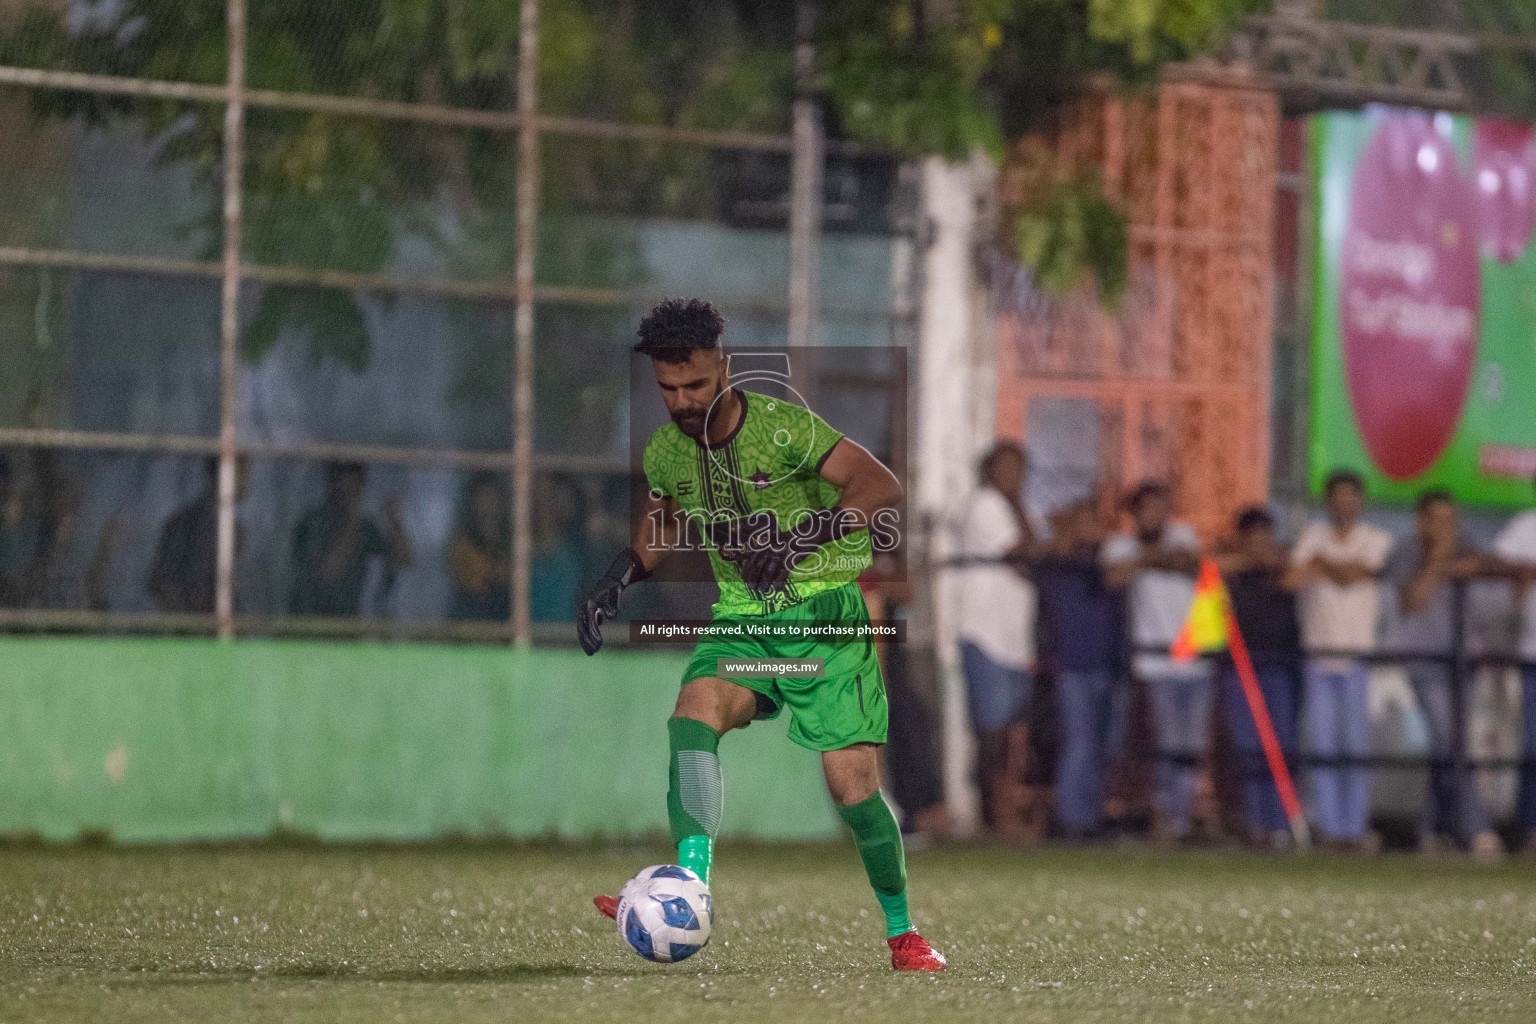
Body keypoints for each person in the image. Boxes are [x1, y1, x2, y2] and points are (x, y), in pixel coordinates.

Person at [576, 298, 945, 971]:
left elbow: (878, 483)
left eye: (695, 386)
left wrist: (806, 536)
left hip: (825, 625)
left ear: (723, 367)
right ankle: (689, 889)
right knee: (695, 712)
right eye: (668, 390)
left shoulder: (782, 429)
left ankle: (903, 934)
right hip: (745, 623)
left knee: (852, 789)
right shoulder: (667, 452)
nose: (683, 402)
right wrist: (620, 574)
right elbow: (662, 521)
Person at [1386, 490, 1502, 859]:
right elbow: (1412, 600)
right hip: (1424, 662)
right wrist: (1441, 563)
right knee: (1450, 743)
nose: (1445, 528)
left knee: (1447, 748)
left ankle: (1432, 830)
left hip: (1463, 661)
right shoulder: (1407, 551)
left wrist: (1472, 563)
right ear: (1420, 520)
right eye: (1436, 519)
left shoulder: (1467, 546)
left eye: (1450, 520)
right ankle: (1477, 828)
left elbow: (1494, 570)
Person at [1286, 469, 1393, 853]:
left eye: (1352, 495)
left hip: (1357, 656)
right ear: (1327, 500)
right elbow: (1291, 578)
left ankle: (1354, 827)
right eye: (1337, 496)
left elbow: (1354, 574)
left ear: (1361, 501)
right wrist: (1323, 564)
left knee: (1355, 747)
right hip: (1318, 655)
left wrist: (1321, 565)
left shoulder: (1375, 538)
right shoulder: (1312, 534)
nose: (1344, 503)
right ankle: (1330, 827)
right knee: (1322, 745)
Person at [1103, 481, 1207, 844]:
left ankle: (1181, 816)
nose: (1156, 516)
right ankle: (1165, 813)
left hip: (1195, 657)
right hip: (1154, 660)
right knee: (1166, 740)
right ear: (1135, 514)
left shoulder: (1184, 534)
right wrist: (1156, 559)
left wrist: (1150, 560)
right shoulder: (1121, 543)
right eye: (1147, 509)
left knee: (1190, 743)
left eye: (1161, 508)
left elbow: (1191, 564)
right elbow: (1114, 574)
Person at [953, 440, 1038, 840]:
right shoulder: (985, 505)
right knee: (991, 730)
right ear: (990, 472)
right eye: (1006, 468)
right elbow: (1025, 549)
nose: (1014, 476)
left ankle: (1009, 811)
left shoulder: (1014, 509)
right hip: (985, 632)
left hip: (1014, 639)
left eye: (1020, 468)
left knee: (1012, 732)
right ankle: (993, 816)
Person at [1035, 498, 1124, 841]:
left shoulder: (1103, 563)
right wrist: (1061, 531)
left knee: (1102, 745)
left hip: (1106, 665)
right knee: (1079, 744)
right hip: (1073, 667)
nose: (1092, 530)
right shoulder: (1058, 564)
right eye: (1084, 523)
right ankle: (1073, 819)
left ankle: (1090, 816)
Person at [1214, 506, 1301, 850]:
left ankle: (1282, 824)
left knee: (1281, 746)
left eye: (1266, 536)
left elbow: (1297, 571)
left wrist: (1272, 561)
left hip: (1280, 666)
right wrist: (1251, 559)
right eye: (1253, 538)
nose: (1261, 544)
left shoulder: (1283, 564)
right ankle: (1256, 823)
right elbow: (1211, 566)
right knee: (1250, 746)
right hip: (1241, 669)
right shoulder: (1232, 568)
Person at [288, 461, 413, 617]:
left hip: (351, 625)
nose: (348, 494)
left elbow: (403, 562)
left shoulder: (366, 527)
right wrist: (352, 523)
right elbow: (326, 574)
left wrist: (396, 524)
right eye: (342, 485)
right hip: (310, 623)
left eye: (355, 487)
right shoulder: (312, 523)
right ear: (331, 482)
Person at [1492, 472, 1536, 858]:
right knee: (1532, 744)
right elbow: (1497, 565)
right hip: (1532, 652)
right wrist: (1521, 574)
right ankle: (1529, 829)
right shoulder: (1525, 526)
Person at [147, 455, 249, 614]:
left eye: (246, 472)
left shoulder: (234, 528)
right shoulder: (187, 524)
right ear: (222, 474)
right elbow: (162, 585)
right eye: (241, 472)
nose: (246, 480)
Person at [448, 472, 511, 621]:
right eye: (483, 497)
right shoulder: (460, 544)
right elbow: (468, 582)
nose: (488, 504)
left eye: (493, 497)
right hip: (469, 619)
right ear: (473, 502)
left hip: (503, 620)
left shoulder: (513, 544)